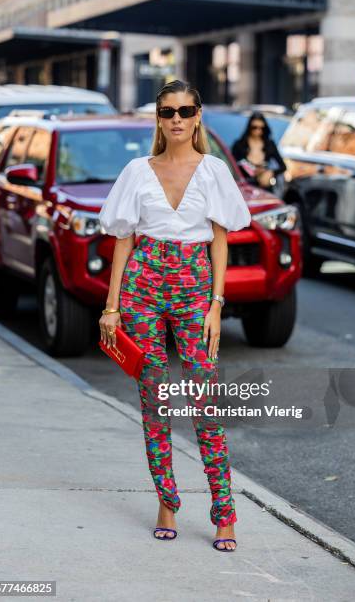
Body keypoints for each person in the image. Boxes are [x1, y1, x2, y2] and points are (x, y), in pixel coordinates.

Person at [98, 79, 251, 552]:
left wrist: (216, 304)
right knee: (155, 402)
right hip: (143, 286)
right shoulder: (137, 171)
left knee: (205, 402)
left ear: (198, 115)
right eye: (168, 112)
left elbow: (221, 238)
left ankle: (223, 510)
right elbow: (123, 238)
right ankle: (167, 501)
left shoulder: (214, 172)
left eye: (186, 110)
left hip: (194, 288)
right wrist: (112, 305)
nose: (177, 119)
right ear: (158, 120)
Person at [231, 111, 286, 193]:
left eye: (261, 128)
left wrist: (271, 172)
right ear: (249, 127)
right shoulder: (239, 145)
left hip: (264, 187)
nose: (258, 130)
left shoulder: (269, 144)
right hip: (244, 187)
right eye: (255, 127)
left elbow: (283, 167)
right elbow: (231, 165)